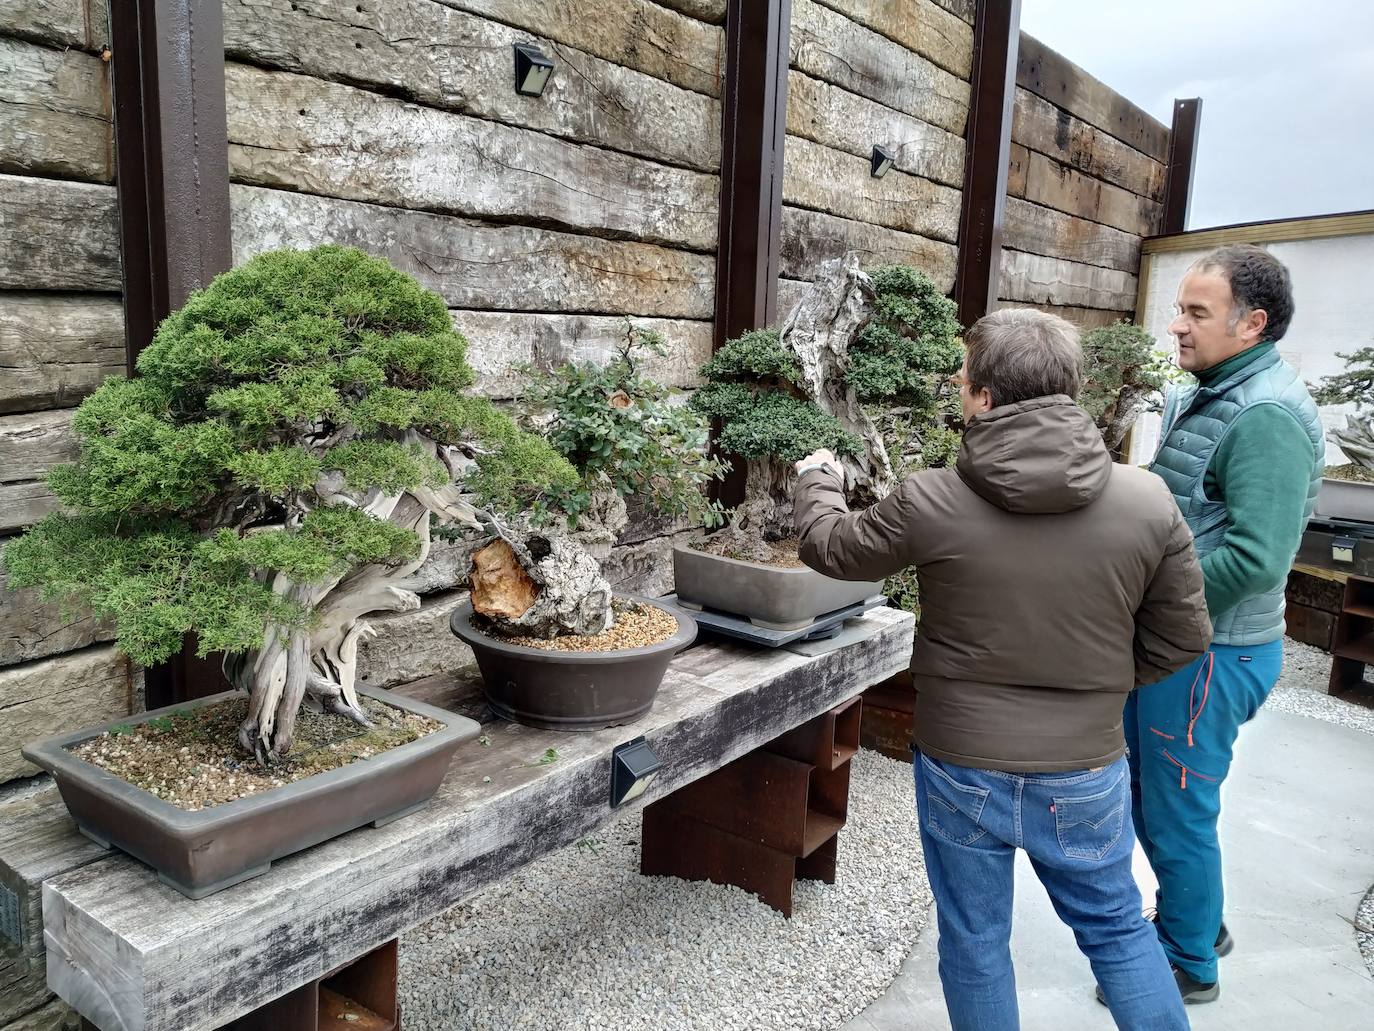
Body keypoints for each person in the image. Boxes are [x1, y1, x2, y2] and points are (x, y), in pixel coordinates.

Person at [792, 307, 1210, 1031]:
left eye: (962, 380)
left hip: (963, 763)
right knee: (1117, 927)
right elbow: (1183, 638)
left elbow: (832, 548)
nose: (959, 390)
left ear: (984, 397)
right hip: (1085, 766)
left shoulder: (932, 499)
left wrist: (818, 478)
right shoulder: (1146, 501)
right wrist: (1097, 688)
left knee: (977, 941)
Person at [1121, 244, 1324, 1002]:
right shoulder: (1215, 388)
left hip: (1209, 654)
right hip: (1182, 645)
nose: (1176, 326)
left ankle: (1187, 964)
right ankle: (1200, 920)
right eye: (1180, 308)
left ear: (1253, 323)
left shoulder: (1264, 415)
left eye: (1195, 313)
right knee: (1154, 795)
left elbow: (1259, 558)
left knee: (1174, 809)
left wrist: (1154, 605)